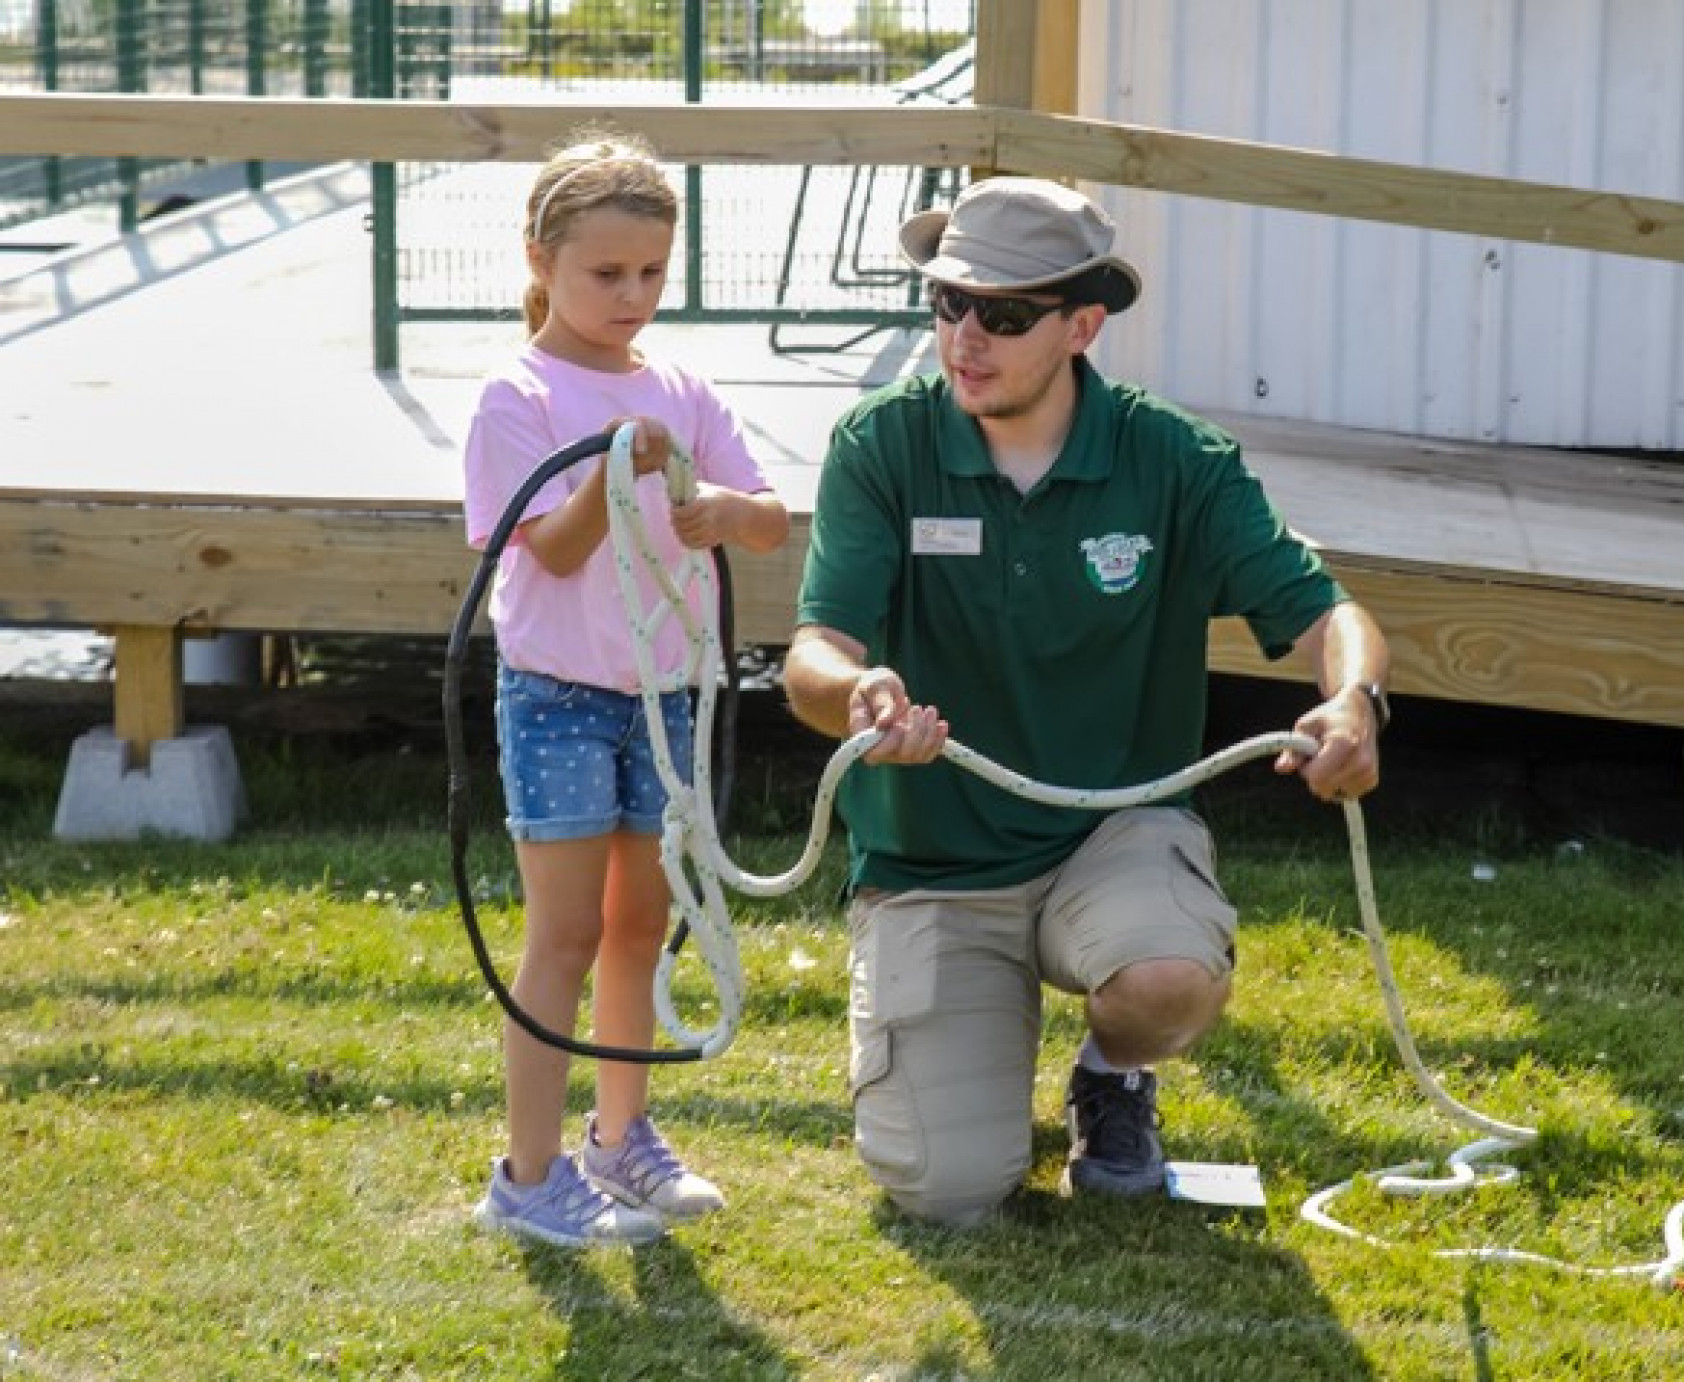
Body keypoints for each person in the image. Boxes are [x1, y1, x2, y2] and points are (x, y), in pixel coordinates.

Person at [783, 176, 1391, 1227]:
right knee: (943, 1191)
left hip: (1111, 833)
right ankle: (969, 1047)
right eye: (945, 304)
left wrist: (1353, 703)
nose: (966, 336)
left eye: (1005, 314)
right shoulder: (879, 443)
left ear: (1081, 324)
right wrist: (858, 693)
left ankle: (1111, 1073)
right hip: (932, 862)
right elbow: (810, 654)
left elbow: (1328, 610)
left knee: (1168, 977)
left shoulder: (1172, 458)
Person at [460, 128, 791, 1248]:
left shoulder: (682, 387)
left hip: (665, 694)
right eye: (608, 273)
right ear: (540, 260)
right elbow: (544, 551)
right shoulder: (515, 396)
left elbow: (765, 511)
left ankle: (620, 1137)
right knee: (561, 933)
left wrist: (726, 515)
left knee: (640, 925)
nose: (633, 295)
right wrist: (613, 465)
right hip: (557, 692)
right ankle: (527, 1171)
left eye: (651, 273)